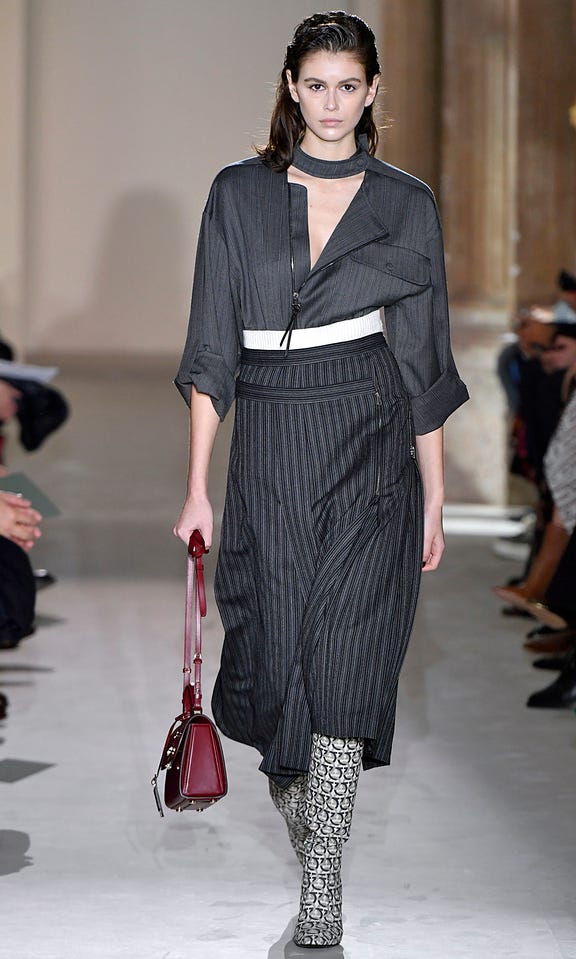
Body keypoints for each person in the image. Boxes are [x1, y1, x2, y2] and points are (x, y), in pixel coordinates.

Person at [173, 11, 468, 949]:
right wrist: (198, 485)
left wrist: (436, 494)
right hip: (272, 442)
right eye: (316, 85)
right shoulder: (238, 193)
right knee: (272, 676)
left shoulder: (406, 202)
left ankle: (324, 885)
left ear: (372, 91)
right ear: (291, 89)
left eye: (349, 86)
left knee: (344, 662)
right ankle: (315, 849)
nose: (332, 103)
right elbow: (211, 348)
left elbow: (424, 359)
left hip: (372, 441)